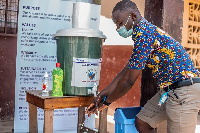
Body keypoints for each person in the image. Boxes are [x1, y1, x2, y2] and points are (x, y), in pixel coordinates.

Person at [85, 0, 200, 132]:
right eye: (117, 25)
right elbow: (127, 70)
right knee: (143, 122)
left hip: (185, 90)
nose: (118, 29)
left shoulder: (144, 35)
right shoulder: (142, 34)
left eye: (120, 23)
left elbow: (128, 81)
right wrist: (106, 91)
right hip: (169, 90)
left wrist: (106, 102)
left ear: (133, 16)